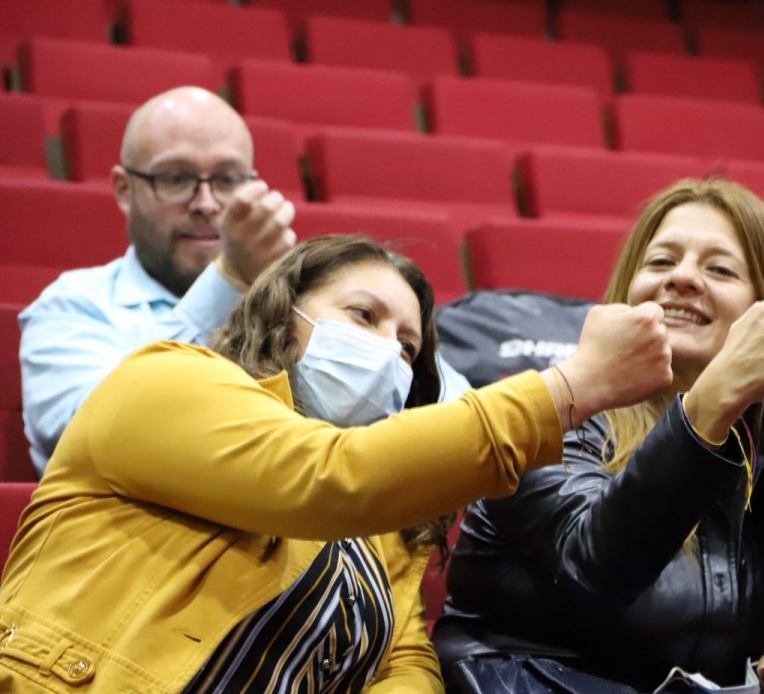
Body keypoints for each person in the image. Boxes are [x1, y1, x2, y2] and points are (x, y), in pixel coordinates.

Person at [0, 234, 674, 694]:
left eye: (408, 348)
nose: (388, 350)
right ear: (280, 312)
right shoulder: (166, 381)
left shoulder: (389, 525)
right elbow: (327, 477)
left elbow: (406, 659)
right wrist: (568, 388)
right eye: (363, 316)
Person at [428, 178, 764, 694]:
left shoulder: (759, 471)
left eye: (719, 268)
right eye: (661, 261)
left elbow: (715, 679)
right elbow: (595, 568)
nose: (682, 277)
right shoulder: (543, 418)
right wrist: (711, 403)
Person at [17, 86, 469, 475]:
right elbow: (90, 435)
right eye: (176, 179)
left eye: (228, 179)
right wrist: (229, 279)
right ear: (123, 190)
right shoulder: (72, 306)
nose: (207, 202)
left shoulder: (304, 306)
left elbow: (456, 414)